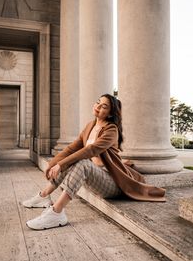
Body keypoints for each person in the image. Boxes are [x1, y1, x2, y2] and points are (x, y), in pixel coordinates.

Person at [22, 94, 165, 230]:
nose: (98, 106)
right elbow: (72, 148)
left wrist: (61, 165)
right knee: (73, 160)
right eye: (98, 102)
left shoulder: (111, 130)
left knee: (81, 162)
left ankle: (57, 212)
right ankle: (43, 196)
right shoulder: (90, 126)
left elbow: (90, 150)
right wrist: (53, 163)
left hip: (112, 183)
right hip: (96, 179)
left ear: (110, 113)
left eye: (104, 106)